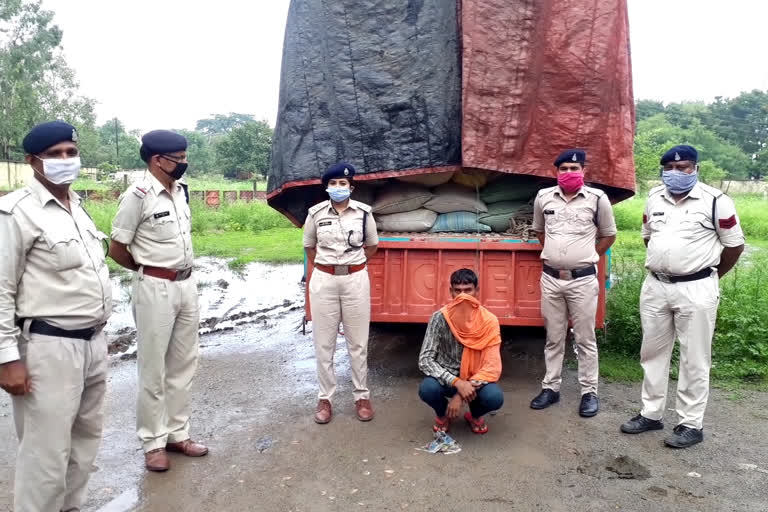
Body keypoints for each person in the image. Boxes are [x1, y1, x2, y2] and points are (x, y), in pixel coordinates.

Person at [0, 121, 112, 512]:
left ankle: (70, 507)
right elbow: (1, 289)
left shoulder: (77, 207)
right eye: (54, 155)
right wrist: (7, 359)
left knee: (84, 443)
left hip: (93, 343)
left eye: (70, 152)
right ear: (33, 161)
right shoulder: (16, 212)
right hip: (49, 347)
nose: (65, 160)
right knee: (45, 455)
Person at [621, 145, 744, 448]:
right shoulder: (654, 198)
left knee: (694, 358)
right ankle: (651, 414)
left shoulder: (716, 201)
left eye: (684, 167)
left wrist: (711, 276)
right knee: (652, 353)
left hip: (697, 288)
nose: (676, 173)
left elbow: (734, 246)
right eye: (671, 169)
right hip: (656, 286)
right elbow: (648, 236)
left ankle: (690, 423)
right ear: (663, 171)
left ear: (696, 168)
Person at [110, 130, 207, 472]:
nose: (183, 163)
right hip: (154, 286)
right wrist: (145, 270)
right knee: (153, 367)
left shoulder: (181, 192)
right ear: (157, 160)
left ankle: (177, 434)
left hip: (186, 284)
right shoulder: (137, 196)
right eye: (178, 158)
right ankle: (153, 442)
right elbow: (117, 247)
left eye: (184, 157)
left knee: (184, 363)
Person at [530, 149, 617, 417]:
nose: (569, 173)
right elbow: (539, 231)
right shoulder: (544, 197)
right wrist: (558, 258)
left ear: (584, 172)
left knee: (585, 339)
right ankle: (551, 388)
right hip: (551, 279)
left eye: (574, 168)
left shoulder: (597, 199)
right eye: (564, 169)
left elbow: (609, 235)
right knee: (553, 338)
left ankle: (589, 393)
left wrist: (588, 257)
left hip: (583, 281)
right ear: (556, 172)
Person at [303, 162, 379, 424]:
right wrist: (329, 268)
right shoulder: (315, 214)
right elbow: (309, 247)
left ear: (351, 187)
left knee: (358, 342)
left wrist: (349, 266)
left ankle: (361, 397)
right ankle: (325, 398)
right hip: (324, 279)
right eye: (333, 184)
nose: (338, 188)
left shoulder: (364, 214)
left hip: (356, 279)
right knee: (324, 343)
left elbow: (372, 246)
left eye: (343, 184)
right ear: (327, 187)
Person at [418, 269, 504, 434]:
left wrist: (461, 394)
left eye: (468, 290)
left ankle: (475, 415)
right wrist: (457, 383)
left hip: (475, 382)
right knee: (427, 389)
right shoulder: (439, 318)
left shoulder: (489, 321)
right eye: (457, 291)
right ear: (451, 292)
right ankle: (443, 415)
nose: (462, 295)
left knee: (494, 397)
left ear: (477, 292)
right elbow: (425, 359)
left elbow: (491, 367)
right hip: (447, 379)